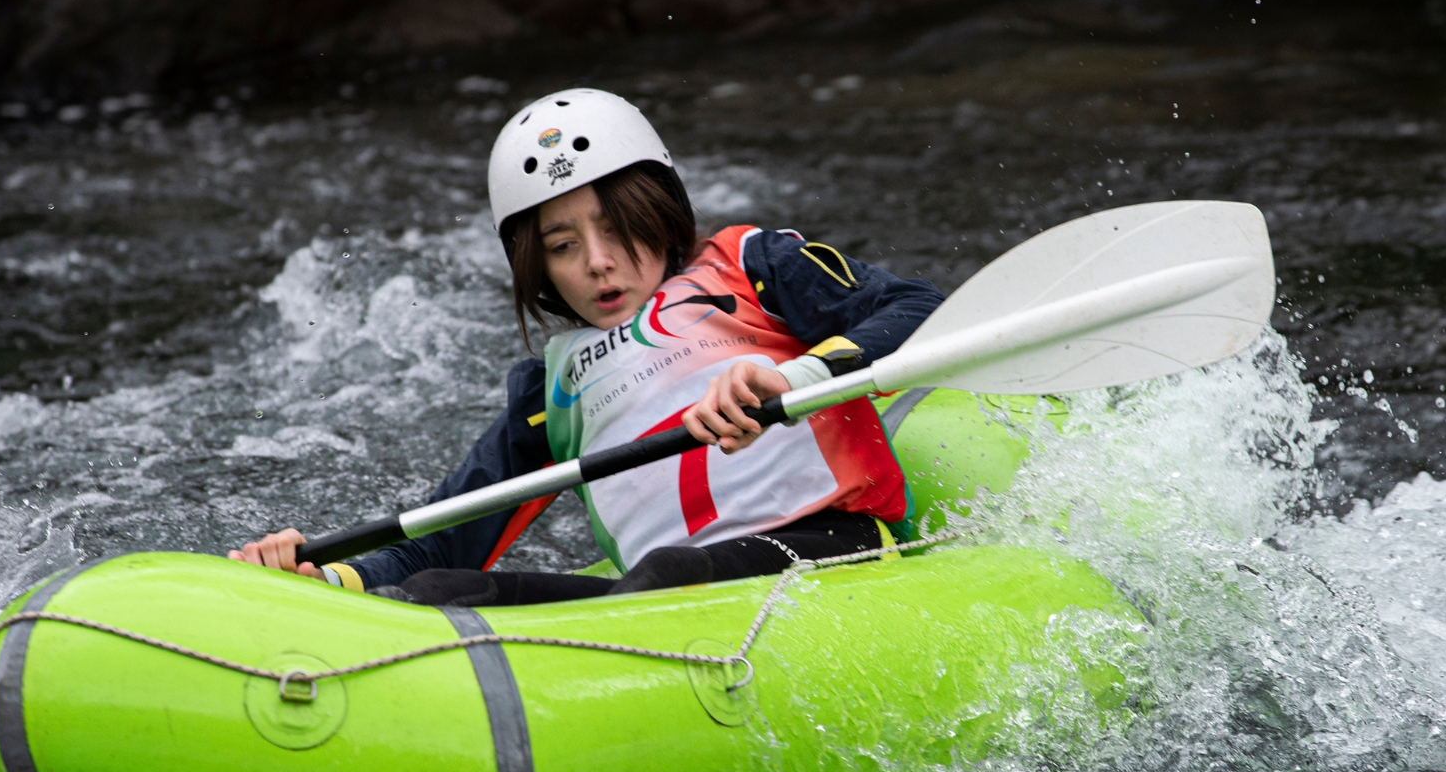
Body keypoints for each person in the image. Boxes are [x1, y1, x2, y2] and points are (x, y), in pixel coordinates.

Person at [230, 88, 944, 607]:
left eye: (616, 228)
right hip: (674, 587)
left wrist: (798, 376)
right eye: (563, 247)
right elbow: (447, 535)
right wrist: (326, 579)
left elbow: (916, 309)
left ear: (662, 217)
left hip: (832, 547)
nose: (597, 263)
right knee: (438, 588)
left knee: (663, 574)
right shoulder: (551, 392)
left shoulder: (749, 264)